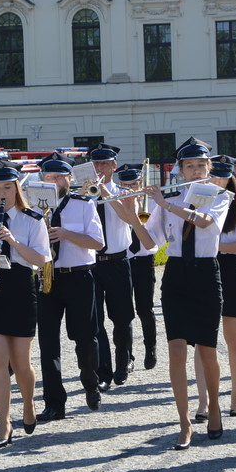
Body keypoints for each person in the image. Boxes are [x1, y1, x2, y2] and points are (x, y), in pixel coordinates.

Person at [127, 137, 230, 449]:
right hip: (175, 276)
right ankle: (184, 422)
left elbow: (205, 222)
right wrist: (131, 218)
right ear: (180, 171)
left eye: (201, 165)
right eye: (190, 166)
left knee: (207, 350)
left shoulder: (219, 195)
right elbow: (152, 243)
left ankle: (213, 408)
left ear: (209, 168)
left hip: (205, 274)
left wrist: (166, 204)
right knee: (176, 351)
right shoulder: (169, 198)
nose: (196, 171)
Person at [0, 163, 49, 447]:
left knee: (21, 363)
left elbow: (42, 260)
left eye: (7, 187)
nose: (2, 193)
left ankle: (28, 404)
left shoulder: (32, 218)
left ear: (17, 188)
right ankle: (3, 422)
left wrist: (13, 241)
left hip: (20, 285)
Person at [35, 152, 105, 421]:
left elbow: (98, 244)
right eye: (48, 176)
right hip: (47, 276)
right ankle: (54, 402)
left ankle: (90, 381)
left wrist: (66, 235)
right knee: (47, 343)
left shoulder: (83, 204)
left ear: (69, 178)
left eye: (57, 176)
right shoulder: (35, 206)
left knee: (85, 337)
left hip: (78, 276)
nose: (52, 181)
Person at [193, 155, 236, 419]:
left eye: (221, 177)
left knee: (234, 339)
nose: (216, 181)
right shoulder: (196, 204)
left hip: (233, 271)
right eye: (212, 176)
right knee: (202, 342)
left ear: (231, 179)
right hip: (205, 271)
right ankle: (204, 400)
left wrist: (215, 246)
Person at [89, 143, 137, 388]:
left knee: (122, 318)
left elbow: (129, 219)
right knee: (95, 321)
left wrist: (105, 193)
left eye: (105, 164)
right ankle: (104, 372)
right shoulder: (84, 193)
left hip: (117, 261)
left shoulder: (123, 191)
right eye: (96, 163)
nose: (100, 168)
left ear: (114, 167)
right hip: (92, 264)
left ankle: (123, 361)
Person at [117, 164, 159, 370]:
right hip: (124, 260)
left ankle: (151, 347)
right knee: (125, 312)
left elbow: (154, 236)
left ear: (141, 183)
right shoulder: (116, 203)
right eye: (125, 185)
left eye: (134, 184)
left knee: (145, 308)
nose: (130, 188)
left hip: (143, 260)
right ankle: (128, 356)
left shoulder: (151, 204)